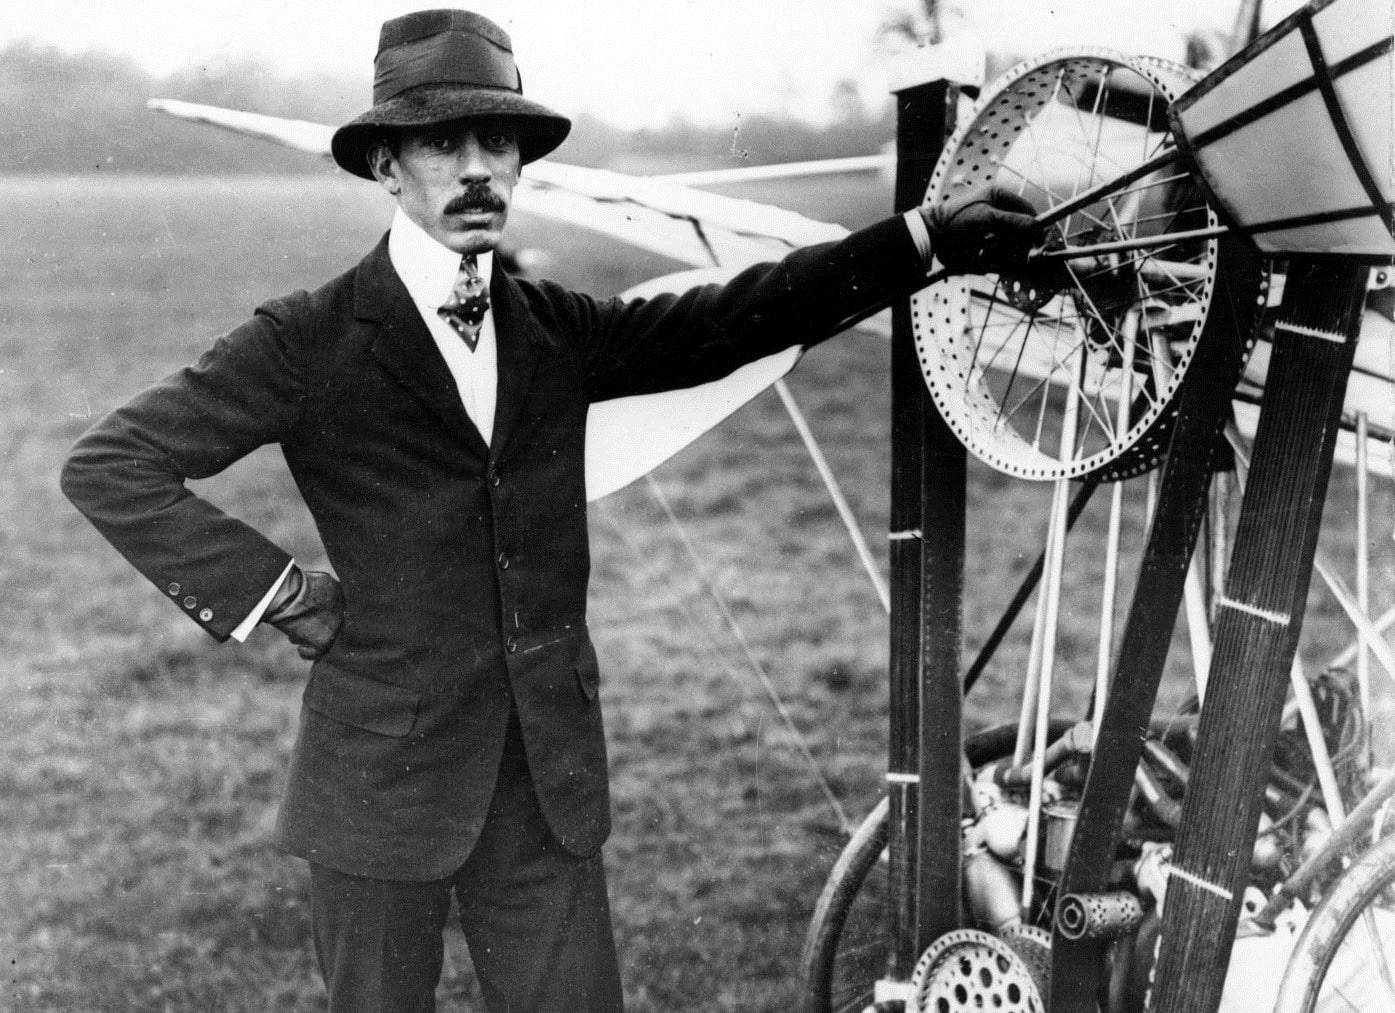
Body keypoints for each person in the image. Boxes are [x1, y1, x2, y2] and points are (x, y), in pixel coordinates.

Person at [60, 9, 1040, 1012]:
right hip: (378, 786)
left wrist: (921, 238)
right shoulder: (305, 339)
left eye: (497, 142)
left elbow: (735, 317)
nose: (476, 170)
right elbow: (114, 463)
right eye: (441, 144)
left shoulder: (553, 328)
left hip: (544, 787)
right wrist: (280, 592)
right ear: (386, 167)